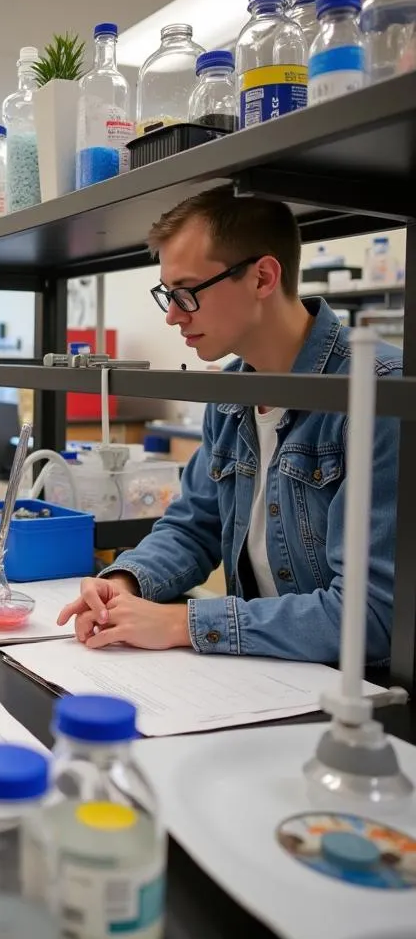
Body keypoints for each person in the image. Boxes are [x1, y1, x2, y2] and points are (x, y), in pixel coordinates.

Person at [58, 186, 401, 664]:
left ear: (262, 277)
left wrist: (185, 623)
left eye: (187, 293)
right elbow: (193, 526)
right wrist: (125, 582)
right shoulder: (231, 395)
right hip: (268, 672)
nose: (174, 316)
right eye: (167, 295)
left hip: (360, 695)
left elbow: (375, 617)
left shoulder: (380, 396)